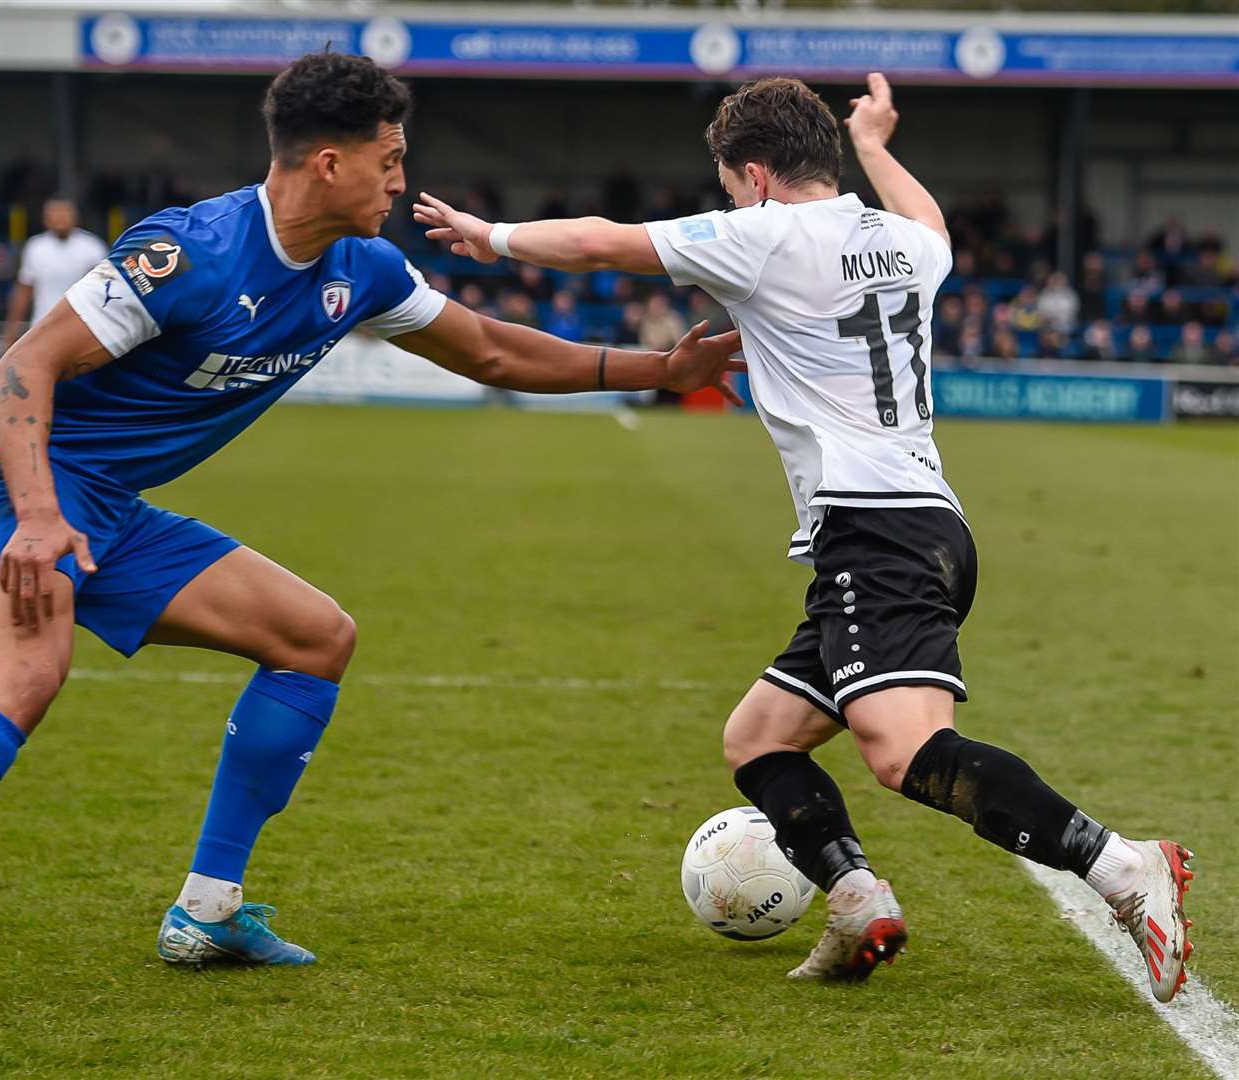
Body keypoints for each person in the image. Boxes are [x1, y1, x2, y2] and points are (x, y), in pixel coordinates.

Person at [0, 51, 741, 1018]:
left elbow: (489, 347)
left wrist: (656, 369)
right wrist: (37, 517)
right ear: (328, 163)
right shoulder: (191, 251)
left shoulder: (361, 269)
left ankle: (207, 911)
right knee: (27, 673)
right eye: (390, 159)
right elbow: (21, 370)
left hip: (107, 501)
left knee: (314, 636)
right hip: (8, 481)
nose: (403, 182)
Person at [414, 72, 1193, 1001]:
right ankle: (860, 902)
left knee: (904, 753)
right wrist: (877, 146)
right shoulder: (902, 242)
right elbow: (934, 221)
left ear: (753, 175)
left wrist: (488, 234)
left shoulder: (765, 234)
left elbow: (596, 243)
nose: (728, 200)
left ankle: (1122, 866)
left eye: (729, 183)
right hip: (918, 522)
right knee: (759, 739)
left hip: (879, 532)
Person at [0, 197, 108, 350]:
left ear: (75, 217)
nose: (60, 217)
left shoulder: (92, 248)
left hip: (82, 330)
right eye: (55, 212)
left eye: (65, 211)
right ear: (45, 219)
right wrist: (11, 331)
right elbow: (24, 291)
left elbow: (104, 291)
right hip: (41, 327)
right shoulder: (35, 247)